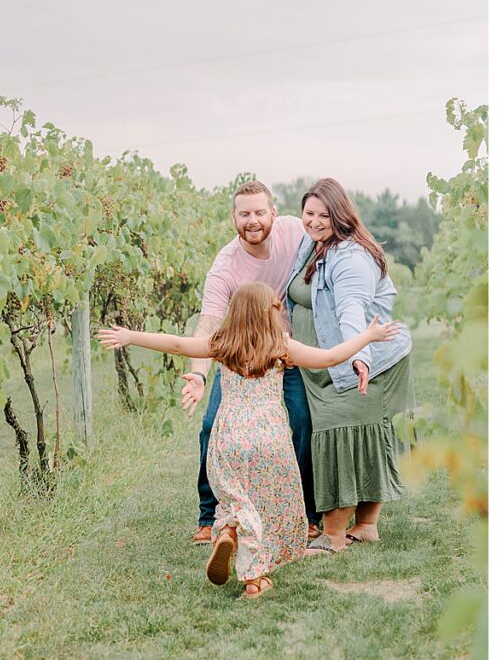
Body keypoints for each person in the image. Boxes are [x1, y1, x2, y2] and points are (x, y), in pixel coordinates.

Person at [99, 282, 399, 598]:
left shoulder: (221, 343)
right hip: (269, 438)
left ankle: (228, 531)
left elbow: (176, 344)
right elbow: (328, 358)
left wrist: (130, 336)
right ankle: (254, 578)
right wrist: (368, 336)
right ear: (269, 311)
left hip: (228, 436)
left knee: (237, 498)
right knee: (267, 506)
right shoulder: (282, 346)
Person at [182, 180, 320, 545]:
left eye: (260, 212)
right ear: (234, 217)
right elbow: (208, 323)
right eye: (244, 214)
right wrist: (197, 374)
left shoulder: (294, 232)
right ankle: (210, 515)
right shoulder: (226, 266)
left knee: (304, 421)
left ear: (274, 213)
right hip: (241, 358)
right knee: (212, 425)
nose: (253, 220)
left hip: (284, 354)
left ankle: (304, 513)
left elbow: (328, 234)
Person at [285, 178, 414, 554]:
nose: (315, 221)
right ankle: (367, 525)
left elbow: (351, 311)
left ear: (340, 215)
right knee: (359, 434)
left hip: (369, 361)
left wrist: (358, 357)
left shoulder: (351, 257)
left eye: (324, 215)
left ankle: (334, 535)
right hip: (330, 363)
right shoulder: (311, 244)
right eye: (309, 213)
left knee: (343, 432)